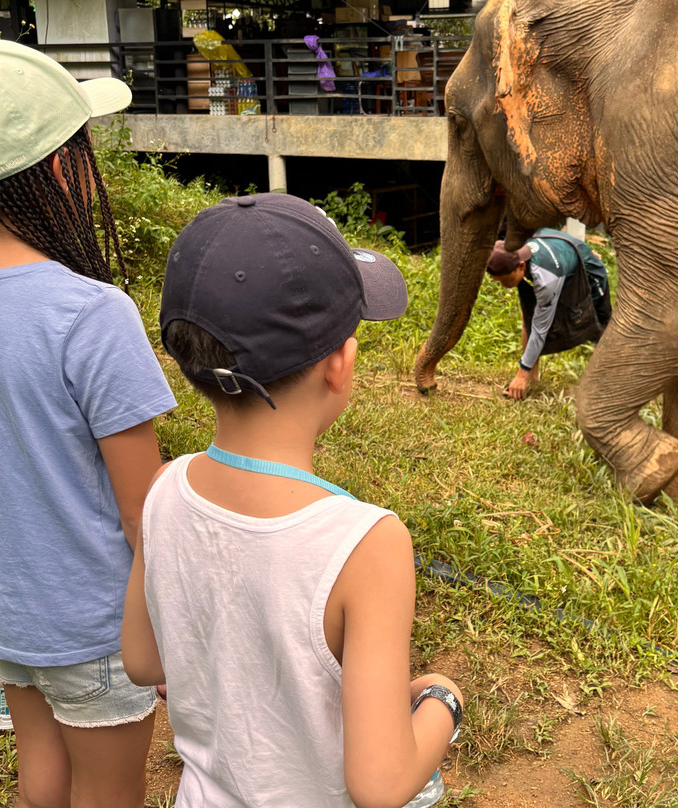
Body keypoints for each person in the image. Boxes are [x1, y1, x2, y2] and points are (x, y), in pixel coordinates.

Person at [121, 193, 465, 808]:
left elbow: (144, 663)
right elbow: (381, 783)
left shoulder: (163, 486)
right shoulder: (367, 543)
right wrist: (443, 699)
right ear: (341, 365)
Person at [0, 41, 176, 808]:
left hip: (4, 611)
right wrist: (176, 626)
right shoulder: (92, 313)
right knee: (109, 792)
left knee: (43, 776)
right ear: (61, 168)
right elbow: (143, 511)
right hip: (93, 618)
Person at [487, 227, 612, 400]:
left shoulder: (546, 279)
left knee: (601, 327)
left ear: (521, 265)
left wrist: (520, 373)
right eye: (499, 282)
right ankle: (531, 380)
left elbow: (540, 329)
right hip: (563, 266)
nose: (504, 285)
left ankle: (611, 383)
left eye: (507, 280)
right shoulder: (518, 246)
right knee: (529, 316)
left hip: (589, 274)